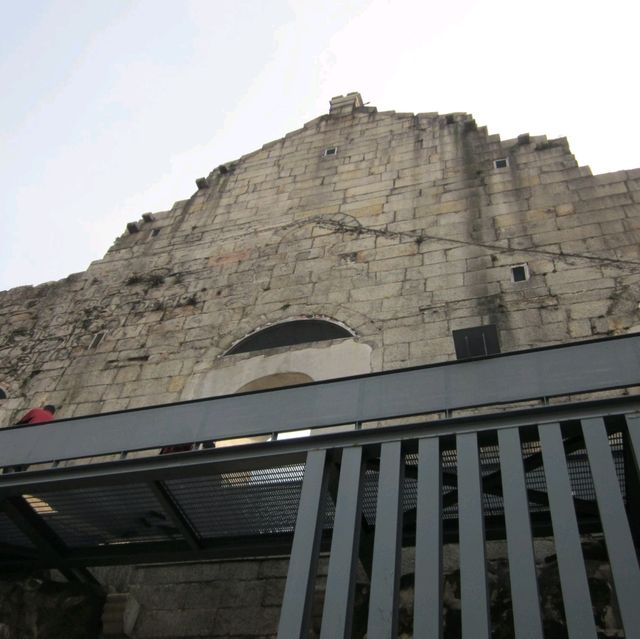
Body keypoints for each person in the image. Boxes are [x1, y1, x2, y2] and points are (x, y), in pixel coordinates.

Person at [3, 405, 57, 473]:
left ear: (44, 409)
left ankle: (6, 474)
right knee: (23, 465)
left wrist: (14, 428)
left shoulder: (36, 411)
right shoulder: (52, 420)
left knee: (11, 458)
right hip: (36, 447)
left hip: (26, 438)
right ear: (52, 413)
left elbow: (22, 422)